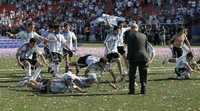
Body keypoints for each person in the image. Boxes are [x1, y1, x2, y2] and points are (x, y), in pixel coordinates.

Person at [124, 23, 149, 95]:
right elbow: (146, 47)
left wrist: (128, 58)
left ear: (131, 29)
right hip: (143, 56)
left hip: (134, 57)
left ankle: (132, 90)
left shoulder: (130, 36)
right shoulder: (144, 35)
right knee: (143, 74)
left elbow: (130, 48)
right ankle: (143, 89)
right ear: (137, 28)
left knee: (132, 75)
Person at [27, 71, 97, 93]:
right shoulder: (62, 81)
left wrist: (82, 91)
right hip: (49, 87)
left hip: (50, 87)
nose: (71, 82)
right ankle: (29, 82)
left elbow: (75, 87)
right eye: (70, 80)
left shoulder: (68, 82)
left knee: (38, 86)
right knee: (38, 87)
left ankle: (30, 81)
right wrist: (48, 90)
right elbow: (50, 81)